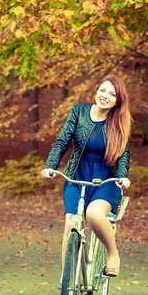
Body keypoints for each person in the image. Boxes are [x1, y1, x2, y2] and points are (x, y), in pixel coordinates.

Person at [41, 75, 131, 277]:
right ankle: (66, 285)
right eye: (102, 90)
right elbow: (62, 141)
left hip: (106, 180)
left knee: (94, 214)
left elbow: (123, 153)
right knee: (71, 223)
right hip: (77, 175)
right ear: (96, 91)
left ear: (118, 101)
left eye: (112, 94)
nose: (105, 96)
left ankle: (113, 254)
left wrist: (123, 176)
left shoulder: (119, 122)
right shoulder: (79, 111)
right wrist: (50, 166)